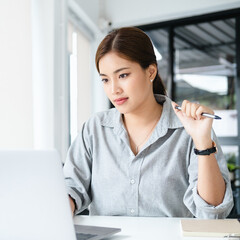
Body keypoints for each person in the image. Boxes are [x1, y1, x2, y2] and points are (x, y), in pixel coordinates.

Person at [63, 27, 233, 218]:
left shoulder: (190, 128)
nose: (114, 89)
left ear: (151, 72)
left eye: (123, 75)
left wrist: (202, 144)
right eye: (105, 80)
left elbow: (214, 213)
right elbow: (71, 187)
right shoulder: (95, 128)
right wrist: (61, 208)